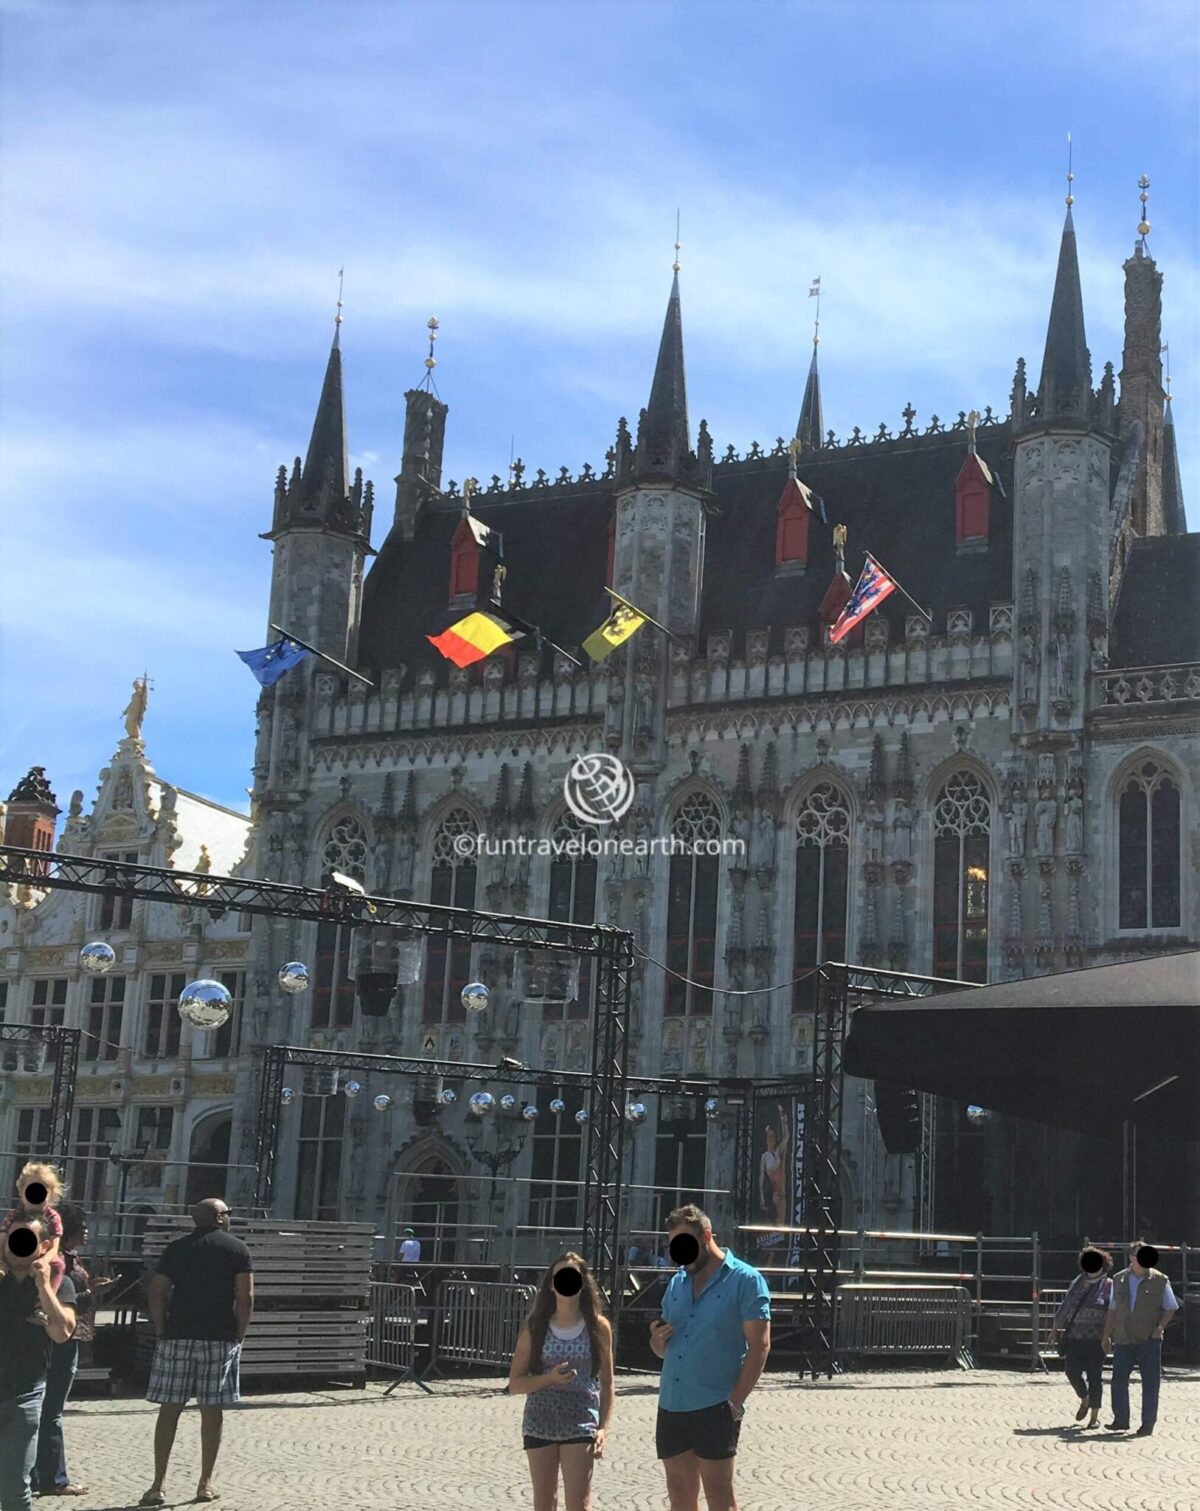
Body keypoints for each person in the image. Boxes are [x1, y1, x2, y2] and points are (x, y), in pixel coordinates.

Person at [649, 1206, 771, 1511]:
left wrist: (734, 1402)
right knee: (679, 1495)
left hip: (714, 1405)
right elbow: (662, 1349)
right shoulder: (676, 1284)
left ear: (706, 1236)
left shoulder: (746, 1280)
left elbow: (760, 1346)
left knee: (719, 1497)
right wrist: (656, 1340)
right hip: (672, 1403)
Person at [139, 1199, 253, 1506]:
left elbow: (157, 1291)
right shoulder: (237, 1250)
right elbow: (246, 1297)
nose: (230, 1216)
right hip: (218, 1336)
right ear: (218, 1218)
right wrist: (239, 1334)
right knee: (212, 1411)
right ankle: (205, 1483)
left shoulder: (176, 1249)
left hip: (177, 1335)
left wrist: (162, 1328)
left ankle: (158, 1484)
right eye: (228, 1212)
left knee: (169, 1409)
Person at [507, 1252, 613, 1511]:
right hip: (539, 1421)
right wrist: (549, 1378)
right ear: (552, 1284)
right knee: (545, 1502)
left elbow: (608, 1383)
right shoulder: (535, 1326)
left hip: (580, 1421)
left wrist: (603, 1427)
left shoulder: (598, 1327)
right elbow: (515, 1384)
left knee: (579, 1504)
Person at [30, 1203, 111, 1498]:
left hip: (64, 1335)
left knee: (41, 1409)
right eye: (82, 1225)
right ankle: (54, 1478)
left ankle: (37, 1473)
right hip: (62, 1337)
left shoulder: (62, 1255)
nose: (87, 1230)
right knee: (51, 1410)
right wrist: (91, 1293)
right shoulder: (57, 1259)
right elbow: (63, 1300)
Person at [0, 1215, 77, 1511]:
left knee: (14, 1487)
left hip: (24, 1394)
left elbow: (61, 1333)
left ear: (44, 1246)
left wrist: (44, 1286)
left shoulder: (60, 1284)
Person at [1102, 1240, 1180, 1436]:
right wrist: (1106, 1335)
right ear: (1131, 1257)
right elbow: (1112, 1309)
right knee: (1118, 1380)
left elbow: (1171, 1307)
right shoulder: (1119, 1279)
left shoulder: (1160, 1279)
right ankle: (1120, 1420)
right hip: (1123, 1337)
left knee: (1150, 1382)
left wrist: (1159, 1327)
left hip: (1149, 1339)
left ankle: (1147, 1424)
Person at [1048, 1245, 1112, 1429]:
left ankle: (1094, 1416)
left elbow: (1112, 1312)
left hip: (1096, 1338)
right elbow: (1066, 1305)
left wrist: (1108, 1335)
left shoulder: (1109, 1286)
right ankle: (1085, 1399)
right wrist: (1055, 1328)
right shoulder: (1077, 1282)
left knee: (1095, 1376)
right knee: (1071, 1371)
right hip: (1075, 1335)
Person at [0, 1164, 66, 1292]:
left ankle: (46, 1297)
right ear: (21, 1191)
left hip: (43, 1254)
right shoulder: (15, 1214)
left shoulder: (52, 1217)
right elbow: (2, 1238)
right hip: (14, 1254)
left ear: (50, 1193)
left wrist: (44, 1261)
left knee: (58, 1264)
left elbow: (54, 1246)